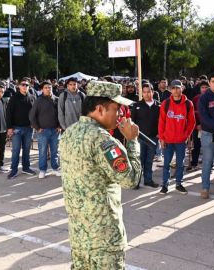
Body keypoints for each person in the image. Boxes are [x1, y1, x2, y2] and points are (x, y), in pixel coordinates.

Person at [60, 80, 141, 269]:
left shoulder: (69, 133)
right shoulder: (103, 140)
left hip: (80, 235)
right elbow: (131, 179)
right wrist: (132, 141)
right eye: (116, 108)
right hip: (104, 239)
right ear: (100, 109)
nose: (121, 114)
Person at [158, 79, 195, 195]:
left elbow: (191, 122)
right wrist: (162, 138)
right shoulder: (166, 103)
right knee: (166, 164)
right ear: (170, 90)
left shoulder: (188, 104)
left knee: (180, 163)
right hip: (168, 140)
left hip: (180, 140)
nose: (175, 90)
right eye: (173, 88)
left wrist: (186, 135)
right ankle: (165, 185)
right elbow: (161, 122)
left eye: (178, 88)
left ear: (182, 88)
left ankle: (179, 184)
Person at [29, 81, 61, 179]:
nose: (48, 89)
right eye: (46, 87)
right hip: (43, 131)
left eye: (49, 87)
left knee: (55, 151)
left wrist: (59, 126)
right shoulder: (38, 100)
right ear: (42, 89)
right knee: (42, 152)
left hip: (55, 131)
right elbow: (32, 116)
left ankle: (55, 168)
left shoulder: (57, 99)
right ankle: (43, 170)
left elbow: (60, 114)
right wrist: (37, 128)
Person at [6, 78, 36, 179]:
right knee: (16, 150)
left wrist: (34, 124)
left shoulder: (32, 97)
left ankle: (26, 167)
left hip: (29, 129)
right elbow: (8, 113)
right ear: (19, 86)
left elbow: (35, 112)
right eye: (23, 85)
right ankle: (14, 170)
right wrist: (9, 128)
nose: (25, 87)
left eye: (27, 85)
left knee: (26, 150)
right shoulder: (13, 98)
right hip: (16, 129)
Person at [131, 83, 160, 188]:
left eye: (149, 92)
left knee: (149, 161)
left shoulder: (158, 106)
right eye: (144, 92)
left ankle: (148, 180)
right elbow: (132, 122)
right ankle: (136, 181)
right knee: (139, 161)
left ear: (153, 92)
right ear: (141, 93)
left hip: (153, 138)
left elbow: (161, 122)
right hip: (140, 138)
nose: (147, 94)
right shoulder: (137, 105)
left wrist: (159, 134)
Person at [188, 80, 209, 171]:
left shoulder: (212, 98)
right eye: (202, 87)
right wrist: (197, 124)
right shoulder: (196, 98)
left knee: (208, 147)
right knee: (196, 145)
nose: (204, 89)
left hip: (209, 128)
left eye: (206, 87)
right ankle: (194, 162)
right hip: (197, 127)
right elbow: (192, 114)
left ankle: (209, 164)